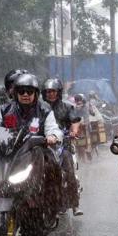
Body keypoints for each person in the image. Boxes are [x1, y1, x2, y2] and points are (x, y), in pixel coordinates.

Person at [41, 78, 83, 216]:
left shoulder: (67, 107)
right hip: (43, 145)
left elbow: (75, 121)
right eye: (47, 92)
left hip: (62, 145)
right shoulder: (39, 107)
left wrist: (73, 131)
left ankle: (75, 204)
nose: (50, 94)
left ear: (58, 92)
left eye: (53, 91)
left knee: (69, 171)